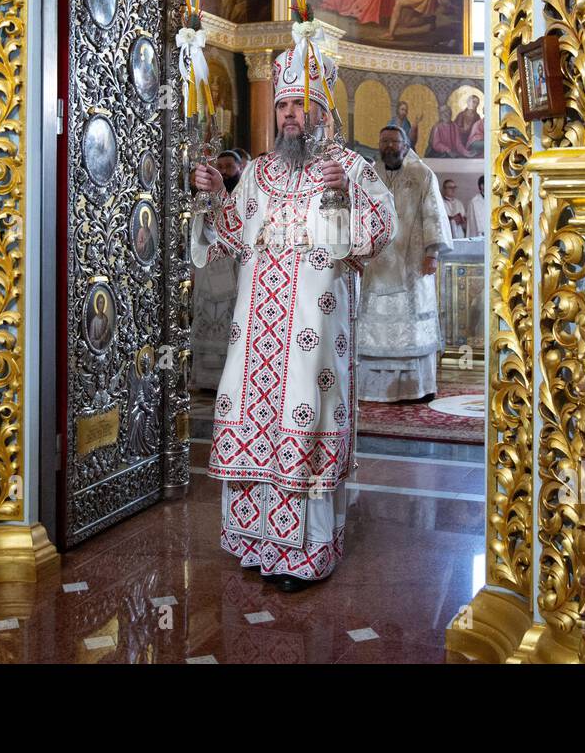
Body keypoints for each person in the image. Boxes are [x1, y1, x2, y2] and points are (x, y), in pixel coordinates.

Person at [190, 37, 397, 591]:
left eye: (300, 105)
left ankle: (305, 553)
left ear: (322, 111)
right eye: (282, 105)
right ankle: (254, 541)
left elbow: (381, 232)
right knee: (251, 415)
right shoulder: (260, 172)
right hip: (256, 327)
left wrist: (347, 197)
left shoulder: (349, 167)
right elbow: (230, 236)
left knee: (306, 416)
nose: (289, 114)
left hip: (313, 327)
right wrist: (215, 195)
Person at [359, 124, 452, 403]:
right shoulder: (369, 176)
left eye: (394, 141)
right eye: (384, 141)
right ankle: (371, 389)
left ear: (405, 145)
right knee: (372, 325)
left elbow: (433, 214)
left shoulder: (422, 174)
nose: (389, 146)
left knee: (411, 326)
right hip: (375, 264)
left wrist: (432, 253)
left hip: (412, 264)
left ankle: (415, 388)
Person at [190, 151, 244, 390]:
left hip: (234, 268)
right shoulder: (206, 195)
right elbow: (200, 231)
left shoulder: (243, 193)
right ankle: (205, 379)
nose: (224, 170)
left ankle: (228, 379)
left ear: (240, 168)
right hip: (209, 267)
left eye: (229, 166)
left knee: (228, 318)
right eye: (220, 166)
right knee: (208, 315)